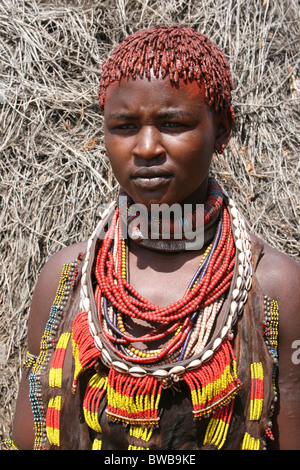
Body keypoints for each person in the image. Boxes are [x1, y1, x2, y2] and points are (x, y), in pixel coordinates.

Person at [5, 25, 300, 451]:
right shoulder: (66, 279)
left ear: (222, 131)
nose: (146, 147)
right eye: (124, 126)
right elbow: (30, 433)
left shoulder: (275, 286)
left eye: (173, 123)